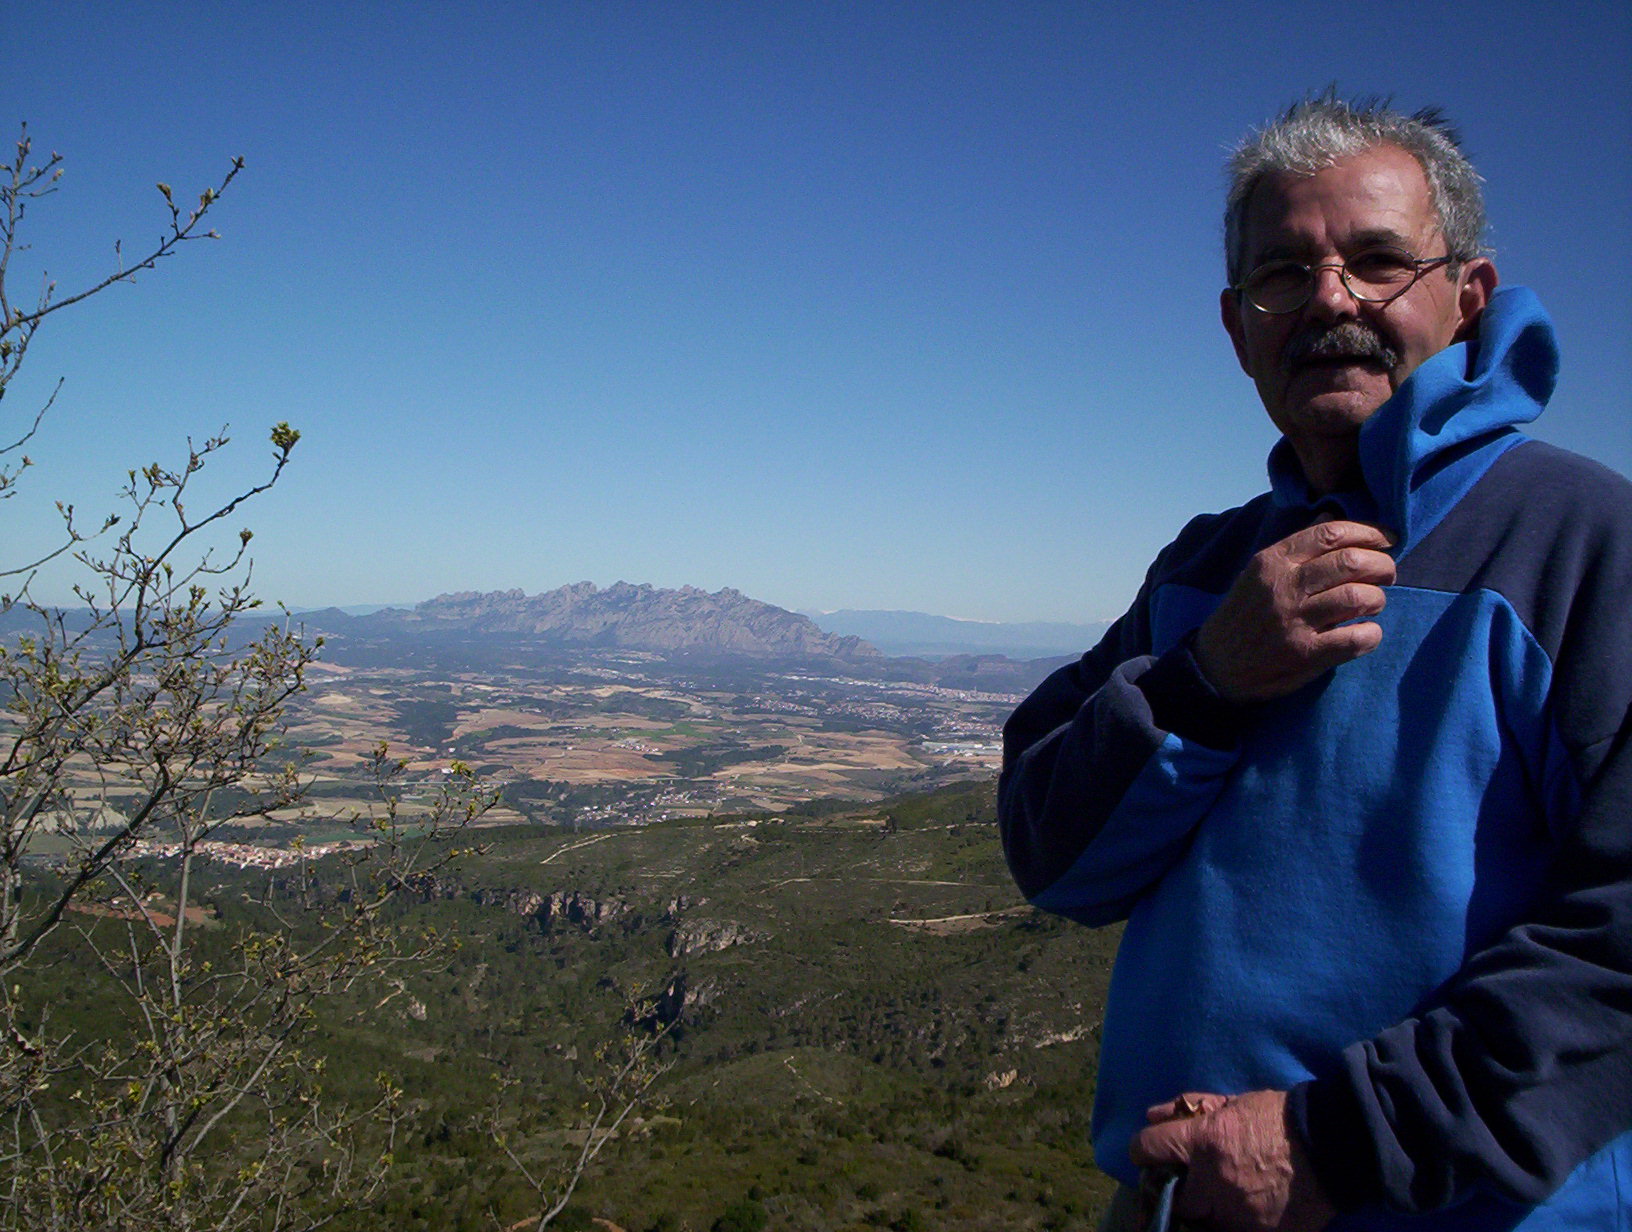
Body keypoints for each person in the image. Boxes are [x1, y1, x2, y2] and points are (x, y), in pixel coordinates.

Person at [998, 94, 1632, 1232]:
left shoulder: (1584, 547)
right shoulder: (1205, 569)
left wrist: (1332, 1143)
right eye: (1284, 273)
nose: (1332, 299)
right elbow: (1052, 854)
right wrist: (1208, 680)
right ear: (1238, 326)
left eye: (1378, 261)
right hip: (1177, 1199)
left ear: (1469, 296)